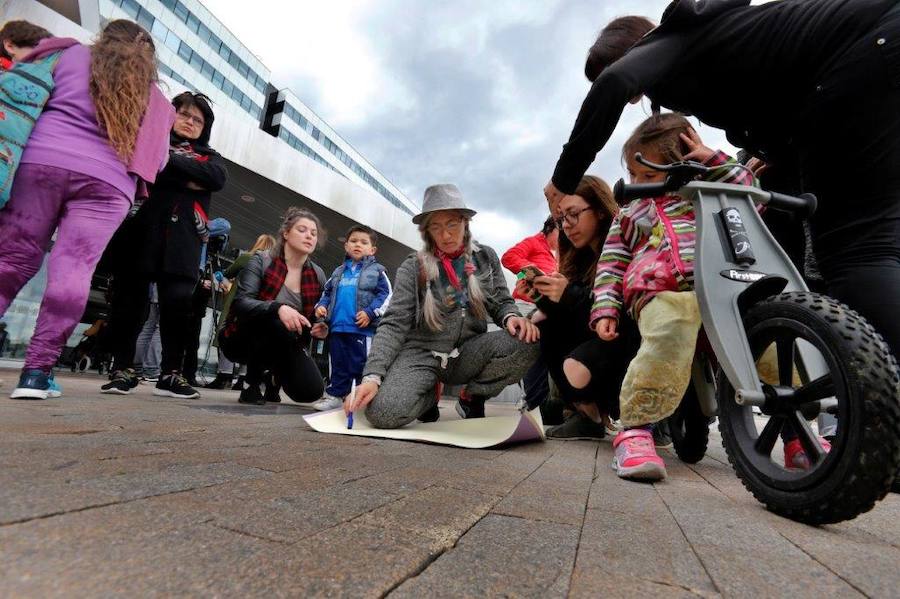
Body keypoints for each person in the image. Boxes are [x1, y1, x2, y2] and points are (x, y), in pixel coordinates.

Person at [544, 0, 900, 367]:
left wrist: (563, 178)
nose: (635, 97)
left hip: (859, 59)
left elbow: (614, 83)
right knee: (874, 246)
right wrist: (776, 152)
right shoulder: (716, 45)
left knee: (859, 252)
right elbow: (777, 101)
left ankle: (879, 394)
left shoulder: (672, 39)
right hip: (873, 57)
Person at [0, 20, 174, 400]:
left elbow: (18, 94)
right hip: (108, 183)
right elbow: (158, 162)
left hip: (40, 163)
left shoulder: (66, 54)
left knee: (10, 261)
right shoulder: (158, 100)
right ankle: (35, 373)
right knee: (74, 270)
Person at [344, 184, 540, 428]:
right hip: (421, 353)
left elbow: (500, 300)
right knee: (383, 414)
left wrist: (511, 317)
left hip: (468, 353)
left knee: (528, 339)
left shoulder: (485, 257)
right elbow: (394, 323)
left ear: (465, 223)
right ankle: (427, 397)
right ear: (427, 232)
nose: (445, 235)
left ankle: (473, 396)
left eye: (451, 224)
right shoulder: (413, 266)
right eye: (436, 227)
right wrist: (372, 376)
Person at [102, 92, 227, 399]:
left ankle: (171, 374)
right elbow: (146, 168)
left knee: (178, 306)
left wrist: (171, 164)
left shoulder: (211, 157)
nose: (190, 121)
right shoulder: (150, 141)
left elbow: (215, 178)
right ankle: (123, 368)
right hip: (141, 232)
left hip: (184, 241)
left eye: (197, 119)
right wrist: (187, 175)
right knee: (130, 302)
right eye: (184, 114)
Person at [526, 176, 638, 439]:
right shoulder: (578, 257)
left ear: (599, 210)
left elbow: (626, 312)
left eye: (574, 215)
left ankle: (651, 420)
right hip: (597, 346)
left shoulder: (626, 242)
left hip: (626, 344)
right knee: (544, 323)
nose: (567, 226)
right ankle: (587, 415)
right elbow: (574, 311)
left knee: (583, 350)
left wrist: (571, 296)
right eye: (562, 218)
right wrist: (542, 296)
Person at [219, 207, 328, 406]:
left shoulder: (317, 274)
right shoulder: (262, 260)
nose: (309, 236)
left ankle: (272, 378)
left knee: (310, 391)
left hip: (288, 342)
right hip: (242, 336)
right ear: (286, 233)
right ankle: (250, 384)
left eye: (313, 233)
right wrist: (278, 308)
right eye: (302, 230)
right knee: (276, 320)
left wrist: (320, 325)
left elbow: (314, 316)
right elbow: (241, 303)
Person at [311, 225, 392, 411]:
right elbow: (326, 293)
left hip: (363, 330)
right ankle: (335, 396)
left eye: (364, 242)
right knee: (337, 365)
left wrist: (371, 312)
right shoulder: (338, 272)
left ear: (372, 250)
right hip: (337, 328)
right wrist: (321, 307)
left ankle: (358, 398)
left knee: (360, 365)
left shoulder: (378, 272)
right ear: (346, 246)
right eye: (354, 241)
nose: (358, 245)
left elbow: (386, 295)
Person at [501, 216, 560, 419]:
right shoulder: (534, 242)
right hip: (526, 305)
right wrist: (533, 273)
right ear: (551, 228)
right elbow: (509, 257)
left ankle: (541, 400)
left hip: (547, 308)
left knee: (545, 352)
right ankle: (533, 400)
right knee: (530, 348)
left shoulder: (558, 255)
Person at [205, 234, 277, 390]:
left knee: (227, 335)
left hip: (238, 304)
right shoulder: (273, 265)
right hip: (258, 308)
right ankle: (243, 379)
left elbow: (226, 273)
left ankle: (224, 375)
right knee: (250, 340)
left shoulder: (248, 258)